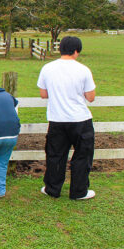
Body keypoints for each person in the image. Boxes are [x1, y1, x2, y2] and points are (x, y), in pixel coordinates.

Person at [37, 36, 96, 200]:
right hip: (80, 120)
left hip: (57, 119)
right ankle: (79, 192)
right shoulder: (83, 69)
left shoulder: (47, 68)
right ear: (76, 51)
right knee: (82, 156)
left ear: (60, 49)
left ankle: (52, 189)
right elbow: (90, 97)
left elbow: (43, 94)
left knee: (55, 155)